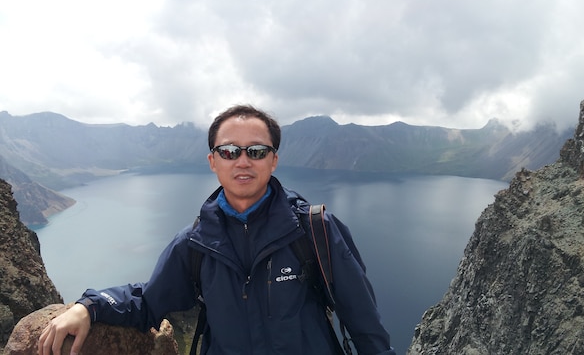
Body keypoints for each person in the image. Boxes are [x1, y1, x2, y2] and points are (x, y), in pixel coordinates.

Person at [38, 105, 395, 355]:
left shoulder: (315, 231)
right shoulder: (194, 244)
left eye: (256, 151)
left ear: (273, 160)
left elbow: (364, 323)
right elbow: (149, 302)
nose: (242, 161)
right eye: (228, 151)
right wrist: (90, 307)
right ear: (213, 161)